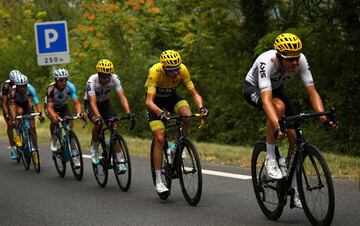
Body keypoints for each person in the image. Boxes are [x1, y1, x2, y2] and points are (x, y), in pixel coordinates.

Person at [243, 33, 337, 208]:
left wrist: (323, 119)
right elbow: (266, 100)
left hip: (277, 88)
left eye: (297, 58)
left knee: (295, 136)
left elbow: (312, 92)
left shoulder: (300, 60)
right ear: (279, 57)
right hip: (255, 88)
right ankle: (271, 157)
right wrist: (278, 127)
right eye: (290, 60)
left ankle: (292, 189)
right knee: (278, 108)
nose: (295, 63)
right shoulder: (267, 61)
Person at [145, 50, 209, 194]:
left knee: (187, 115)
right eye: (172, 70)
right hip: (155, 102)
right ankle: (159, 181)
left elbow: (195, 94)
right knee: (160, 138)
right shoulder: (155, 72)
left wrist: (201, 108)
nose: (176, 73)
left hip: (172, 97)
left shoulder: (183, 70)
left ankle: (176, 147)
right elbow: (149, 101)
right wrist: (160, 113)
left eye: (177, 69)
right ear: (164, 68)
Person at [84, 59, 135, 173]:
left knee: (115, 127)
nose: (106, 79)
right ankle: (95, 148)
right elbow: (92, 103)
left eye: (108, 76)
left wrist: (128, 112)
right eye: (103, 76)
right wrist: (98, 116)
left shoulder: (115, 79)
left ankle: (119, 161)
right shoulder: (92, 81)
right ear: (99, 74)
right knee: (98, 123)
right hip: (91, 104)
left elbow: (122, 97)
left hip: (105, 104)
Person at [44, 68, 85, 168]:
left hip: (63, 106)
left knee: (70, 127)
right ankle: (54, 139)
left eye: (65, 80)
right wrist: (54, 115)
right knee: (54, 120)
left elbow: (77, 103)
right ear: (56, 80)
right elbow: (49, 107)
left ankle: (74, 156)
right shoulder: (51, 89)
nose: (63, 82)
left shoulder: (70, 87)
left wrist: (79, 113)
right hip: (51, 107)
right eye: (61, 80)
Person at [10, 72, 44, 161]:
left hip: (26, 104)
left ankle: (35, 149)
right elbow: (12, 106)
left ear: (26, 85)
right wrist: (14, 119)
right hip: (16, 104)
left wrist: (40, 113)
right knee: (19, 112)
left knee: (32, 126)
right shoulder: (13, 91)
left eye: (24, 86)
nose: (22, 88)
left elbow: (36, 102)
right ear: (16, 86)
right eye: (20, 86)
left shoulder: (30, 88)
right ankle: (17, 134)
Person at [1, 70, 19, 159]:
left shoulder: (21, 82)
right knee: (10, 124)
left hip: (17, 102)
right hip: (7, 103)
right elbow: (4, 103)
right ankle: (12, 148)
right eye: (14, 82)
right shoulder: (6, 85)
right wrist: (7, 115)